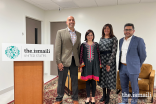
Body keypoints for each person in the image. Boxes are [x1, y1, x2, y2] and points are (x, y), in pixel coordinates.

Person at [54, 16, 81, 104]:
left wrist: (79, 63)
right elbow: (57, 48)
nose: (71, 21)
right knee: (61, 80)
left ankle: (75, 98)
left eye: (73, 20)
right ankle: (59, 98)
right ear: (66, 22)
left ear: (75, 22)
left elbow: (78, 49)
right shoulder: (60, 32)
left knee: (75, 81)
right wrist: (58, 62)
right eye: (69, 20)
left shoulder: (78, 34)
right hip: (63, 61)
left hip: (74, 61)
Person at [119, 23, 146, 104]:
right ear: (124, 31)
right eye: (126, 29)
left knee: (134, 87)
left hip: (133, 68)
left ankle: (134, 102)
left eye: (129, 29)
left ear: (133, 31)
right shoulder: (121, 40)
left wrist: (137, 65)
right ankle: (124, 101)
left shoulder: (139, 40)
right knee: (124, 86)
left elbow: (143, 55)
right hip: (122, 67)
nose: (127, 31)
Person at [79, 29, 102, 104]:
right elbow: (81, 55)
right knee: (87, 82)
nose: (90, 36)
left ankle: (93, 97)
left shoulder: (96, 44)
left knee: (93, 82)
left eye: (91, 35)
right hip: (86, 66)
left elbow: (99, 55)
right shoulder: (83, 45)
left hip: (94, 65)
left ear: (93, 36)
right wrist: (81, 66)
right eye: (88, 35)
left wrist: (99, 65)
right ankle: (88, 97)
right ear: (86, 36)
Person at [98, 24, 118, 104]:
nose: (106, 30)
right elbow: (99, 50)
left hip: (110, 61)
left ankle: (108, 96)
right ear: (103, 30)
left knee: (109, 79)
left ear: (110, 30)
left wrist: (109, 63)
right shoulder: (101, 38)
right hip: (102, 60)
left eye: (108, 28)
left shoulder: (114, 38)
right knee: (103, 78)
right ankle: (104, 95)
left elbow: (114, 52)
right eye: (105, 28)